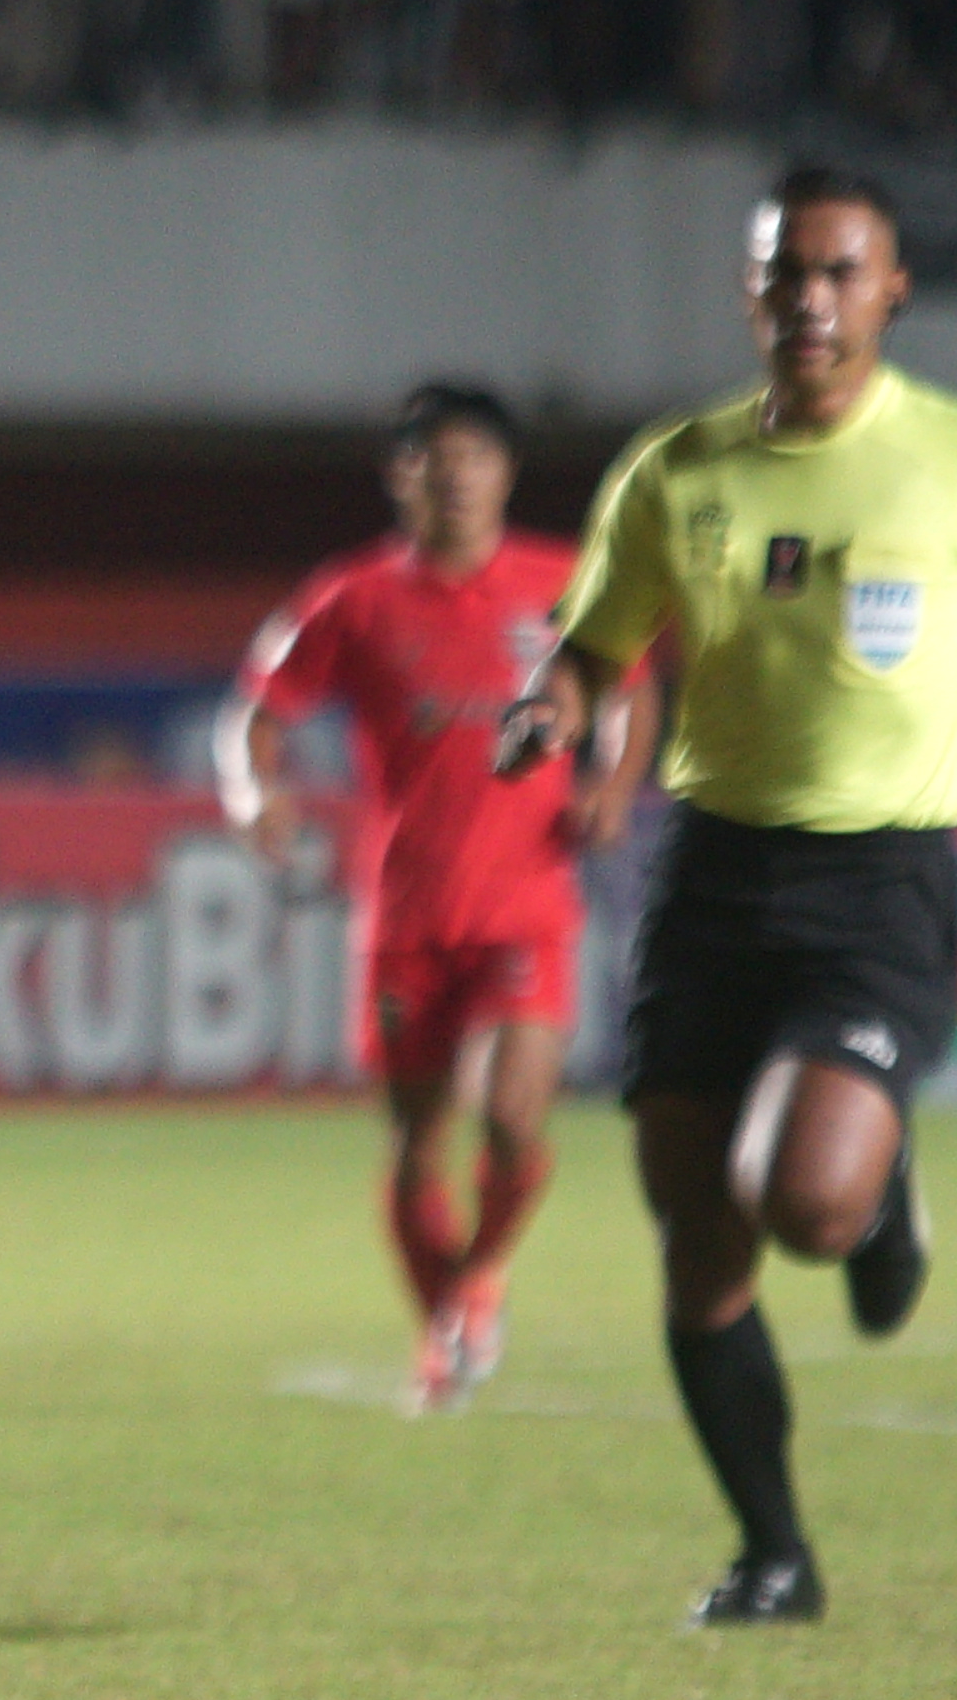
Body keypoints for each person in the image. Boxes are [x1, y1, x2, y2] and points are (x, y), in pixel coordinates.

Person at [500, 166, 957, 1627]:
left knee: (801, 1197)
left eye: (839, 272)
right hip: (707, 880)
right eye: (783, 275)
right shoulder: (673, 472)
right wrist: (552, 706)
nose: (808, 300)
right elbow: (595, 648)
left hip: (876, 880)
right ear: (748, 294)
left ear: (892, 290)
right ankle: (775, 1552)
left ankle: (876, 1196)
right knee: (699, 1239)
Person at [221, 385, 646, 1413]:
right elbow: (255, 712)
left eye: (472, 455)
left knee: (510, 1121)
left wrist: (612, 783)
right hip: (407, 915)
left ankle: (479, 1276)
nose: (453, 474)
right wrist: (253, 792)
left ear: (502, 473)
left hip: (526, 902)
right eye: (430, 457)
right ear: (398, 476)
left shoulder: (558, 582)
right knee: (417, 1145)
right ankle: (442, 1325)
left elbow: (627, 683)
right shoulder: (352, 596)